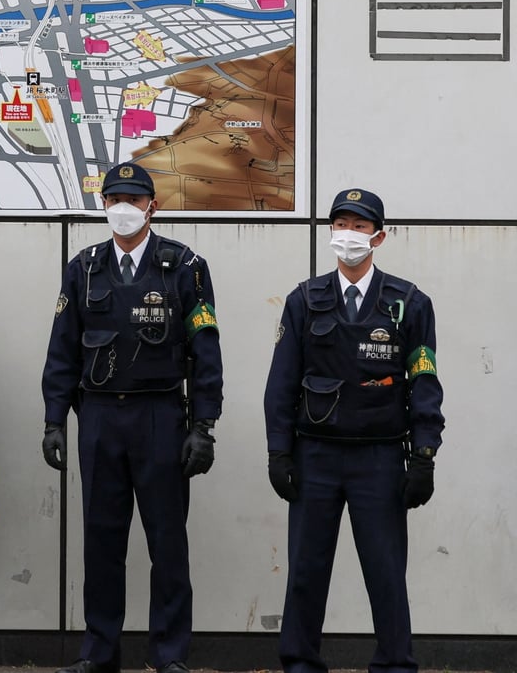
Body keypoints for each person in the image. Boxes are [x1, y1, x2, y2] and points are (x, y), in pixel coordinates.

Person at [40, 161, 224, 673]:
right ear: (103, 206)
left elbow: (205, 352)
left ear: (152, 206)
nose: (123, 208)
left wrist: (203, 427)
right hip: (98, 418)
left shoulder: (183, 265)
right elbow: (62, 350)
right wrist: (55, 419)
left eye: (133, 199)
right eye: (113, 199)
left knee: (167, 543)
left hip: (161, 418)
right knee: (101, 541)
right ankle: (100, 652)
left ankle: (169, 655)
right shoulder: (84, 267)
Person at [264, 188, 445, 673]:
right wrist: (278, 453)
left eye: (360, 226)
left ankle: (394, 665)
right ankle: (300, 662)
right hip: (315, 457)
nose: (349, 235)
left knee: (386, 573)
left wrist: (423, 456)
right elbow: (280, 384)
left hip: (380, 459)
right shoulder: (304, 300)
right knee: (305, 572)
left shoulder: (410, 304)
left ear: (379, 237)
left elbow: (424, 383)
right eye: (341, 225)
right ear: (330, 233)